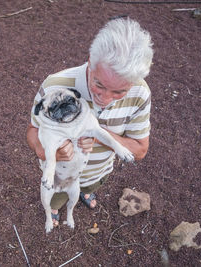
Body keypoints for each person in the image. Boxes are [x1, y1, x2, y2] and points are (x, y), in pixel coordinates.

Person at [26, 18, 153, 227]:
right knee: (56, 198)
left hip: (99, 171)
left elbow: (139, 150)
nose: (105, 98)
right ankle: (55, 208)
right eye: (99, 84)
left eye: (120, 92)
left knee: (89, 186)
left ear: (133, 83)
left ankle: (86, 192)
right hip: (59, 174)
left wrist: (94, 135)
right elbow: (32, 131)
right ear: (90, 63)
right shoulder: (54, 86)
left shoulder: (140, 93)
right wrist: (48, 153)